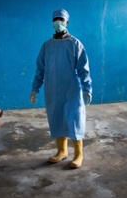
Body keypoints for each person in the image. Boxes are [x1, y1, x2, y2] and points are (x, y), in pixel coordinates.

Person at [30, 9, 92, 169]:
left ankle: (79, 155)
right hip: (53, 89)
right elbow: (40, 69)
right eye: (55, 19)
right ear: (52, 22)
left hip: (71, 89)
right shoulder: (47, 46)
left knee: (74, 119)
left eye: (61, 19)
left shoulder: (75, 44)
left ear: (67, 22)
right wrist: (35, 88)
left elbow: (83, 69)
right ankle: (62, 151)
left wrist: (87, 88)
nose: (58, 22)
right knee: (57, 118)